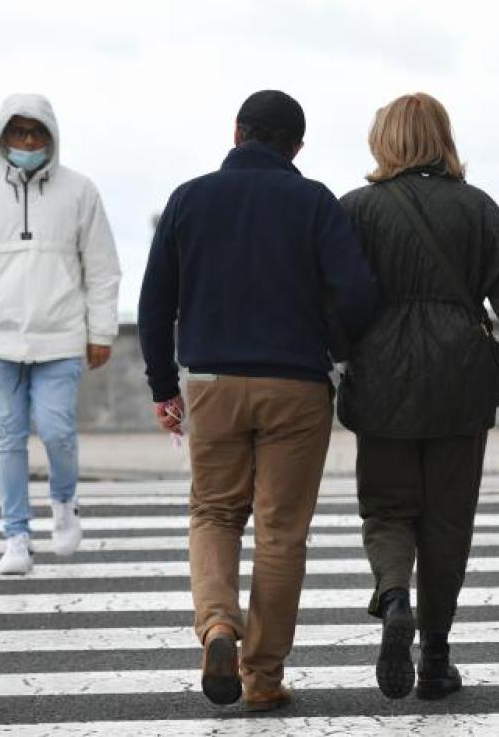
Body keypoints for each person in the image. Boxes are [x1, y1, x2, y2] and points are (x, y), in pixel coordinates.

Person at [137, 90, 380, 711]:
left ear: (236, 131)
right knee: (280, 533)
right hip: (296, 386)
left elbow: (154, 302)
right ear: (296, 146)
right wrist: (328, 339)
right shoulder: (315, 201)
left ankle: (217, 625)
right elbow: (357, 292)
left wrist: (164, 386)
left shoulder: (189, 199)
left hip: (212, 383)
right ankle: (263, 678)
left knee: (215, 513)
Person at [337, 93, 499, 702]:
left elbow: (330, 299)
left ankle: (394, 597)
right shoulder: (475, 208)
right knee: (447, 523)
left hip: (383, 373)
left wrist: (337, 357)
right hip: (458, 375)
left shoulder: (356, 210)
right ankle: (437, 659)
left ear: (384, 141)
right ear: (443, 138)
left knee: (388, 509)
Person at [0, 93, 121, 576]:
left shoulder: (80, 191)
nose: (28, 141)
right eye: (18, 132)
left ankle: (64, 502)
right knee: (8, 437)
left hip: (60, 336)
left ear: (51, 137)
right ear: (3, 137)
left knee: (58, 430)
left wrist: (100, 330)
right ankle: (16, 534)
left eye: (36, 132)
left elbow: (102, 268)